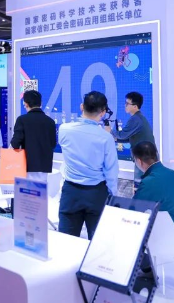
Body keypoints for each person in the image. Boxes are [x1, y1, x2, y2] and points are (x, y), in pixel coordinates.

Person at [58, 91, 118, 239]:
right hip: (96, 193)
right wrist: (112, 195)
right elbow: (111, 171)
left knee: (66, 241)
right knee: (97, 243)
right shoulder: (106, 138)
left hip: (71, 192)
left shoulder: (64, 129)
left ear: (82, 106)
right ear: (103, 112)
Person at [132, 142, 174, 253]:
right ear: (157, 154)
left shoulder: (150, 182)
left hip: (172, 241)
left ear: (139, 161)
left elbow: (133, 211)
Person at [10, 90, 57, 182]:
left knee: (26, 191)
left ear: (26, 104)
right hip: (44, 167)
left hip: (26, 166)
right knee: (40, 190)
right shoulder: (50, 122)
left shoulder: (22, 120)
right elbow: (53, 144)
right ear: (41, 103)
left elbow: (15, 143)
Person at [110, 91, 155, 184]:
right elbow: (128, 137)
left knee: (140, 184)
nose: (125, 105)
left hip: (144, 158)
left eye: (127, 103)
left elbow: (122, 135)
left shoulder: (135, 119)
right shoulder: (139, 118)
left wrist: (110, 131)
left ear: (135, 106)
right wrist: (116, 139)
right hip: (145, 157)